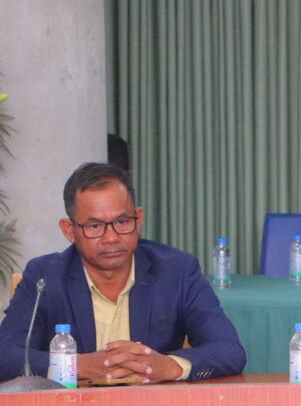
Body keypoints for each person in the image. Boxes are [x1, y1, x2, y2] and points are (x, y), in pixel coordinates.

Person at [0, 162, 246, 383]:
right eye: (94, 226)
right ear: (69, 230)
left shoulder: (176, 270)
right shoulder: (45, 277)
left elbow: (229, 350)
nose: (111, 238)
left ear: (138, 219)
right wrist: (78, 365)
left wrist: (167, 366)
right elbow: (5, 355)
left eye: (122, 222)